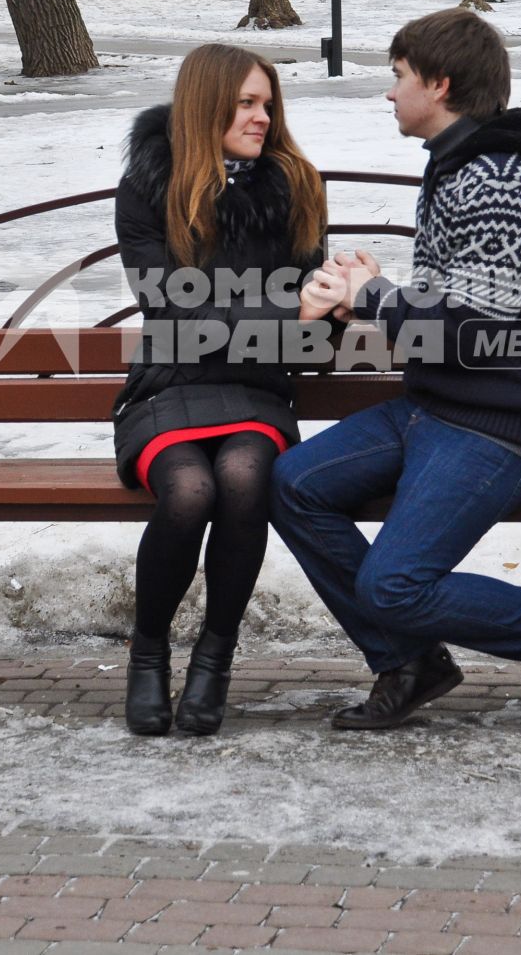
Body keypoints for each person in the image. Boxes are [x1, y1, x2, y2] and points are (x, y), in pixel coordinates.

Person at [273, 7, 521, 734]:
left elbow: (473, 331)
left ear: (438, 85)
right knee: (293, 484)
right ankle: (409, 661)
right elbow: (458, 307)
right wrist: (368, 300)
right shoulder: (459, 166)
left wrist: (371, 296)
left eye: (399, 77)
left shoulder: (499, 182)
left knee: (396, 583)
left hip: (505, 422)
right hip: (440, 408)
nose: (390, 93)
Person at [112, 43, 336, 736]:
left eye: (267, 103)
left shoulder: (293, 188)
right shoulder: (150, 187)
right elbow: (173, 307)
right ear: (207, 103)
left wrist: (334, 299)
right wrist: (288, 313)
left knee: (242, 477)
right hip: (168, 384)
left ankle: (215, 657)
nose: (262, 116)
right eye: (245, 102)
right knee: (189, 491)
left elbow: (314, 339)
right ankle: (148, 653)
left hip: (257, 389)